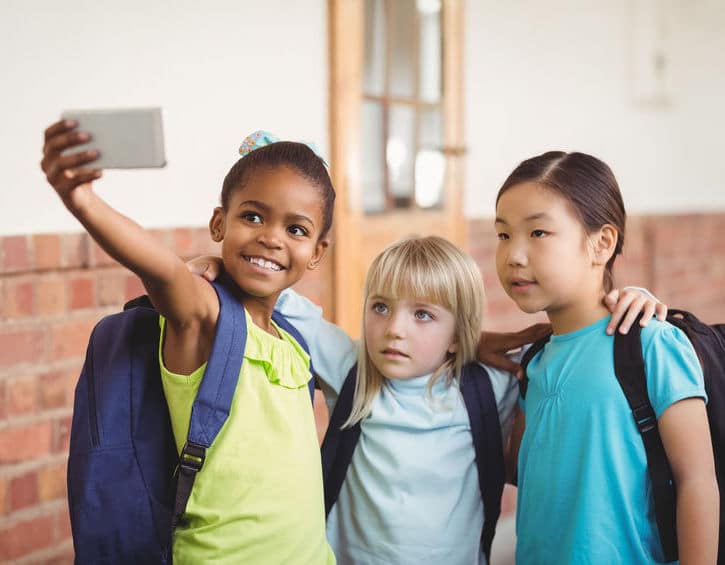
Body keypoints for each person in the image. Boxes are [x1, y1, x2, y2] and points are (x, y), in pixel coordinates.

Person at [195, 235, 666, 564]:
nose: (395, 328)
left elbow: (576, 335)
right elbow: (276, 296)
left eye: (422, 314)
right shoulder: (351, 367)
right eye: (381, 307)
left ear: (459, 335)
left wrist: (631, 298)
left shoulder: (490, 384)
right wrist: (218, 269)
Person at [41, 124, 336, 564]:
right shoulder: (207, 319)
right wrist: (82, 200)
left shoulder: (294, 341)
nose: (271, 237)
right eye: (252, 216)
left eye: (296, 229)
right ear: (220, 223)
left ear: (316, 252)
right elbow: (162, 270)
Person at [495, 151, 719, 563]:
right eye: (504, 235)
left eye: (538, 233)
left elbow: (697, 482)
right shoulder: (534, 363)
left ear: (602, 243)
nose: (514, 255)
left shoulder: (651, 346)